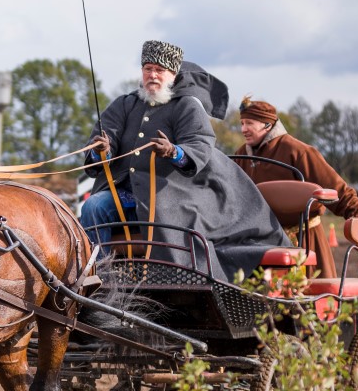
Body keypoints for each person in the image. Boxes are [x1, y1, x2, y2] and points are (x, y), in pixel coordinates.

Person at [79, 40, 290, 282]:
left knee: (165, 214)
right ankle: (98, 279)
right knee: (93, 206)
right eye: (148, 69)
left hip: (173, 194)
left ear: (173, 75)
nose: (153, 75)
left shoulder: (186, 106)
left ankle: (174, 281)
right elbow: (105, 140)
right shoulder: (124, 104)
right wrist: (102, 150)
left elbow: (199, 144)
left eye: (159, 70)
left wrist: (173, 152)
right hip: (124, 195)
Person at [232, 97, 358, 278]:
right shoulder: (240, 156)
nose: (243, 129)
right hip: (262, 245)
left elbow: (336, 190)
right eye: (242, 123)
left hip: (304, 241)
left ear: (267, 124)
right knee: (260, 295)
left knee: (310, 293)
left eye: (249, 123)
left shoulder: (297, 151)